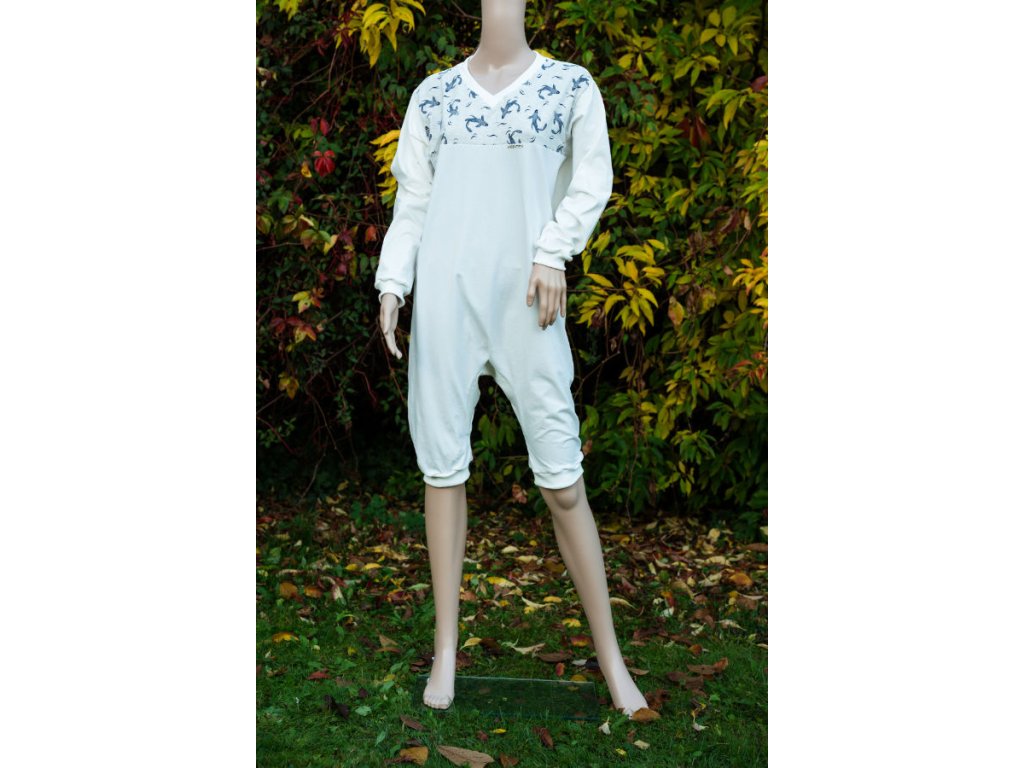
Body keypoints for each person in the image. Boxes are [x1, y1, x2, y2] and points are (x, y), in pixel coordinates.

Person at [374, 0, 648, 719]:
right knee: (442, 471)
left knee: (562, 480)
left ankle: (612, 659)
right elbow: (413, 202)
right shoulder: (434, 96)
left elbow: (592, 181)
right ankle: (445, 653)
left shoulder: (569, 87)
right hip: (445, 297)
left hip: (530, 300)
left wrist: (554, 251)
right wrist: (394, 282)